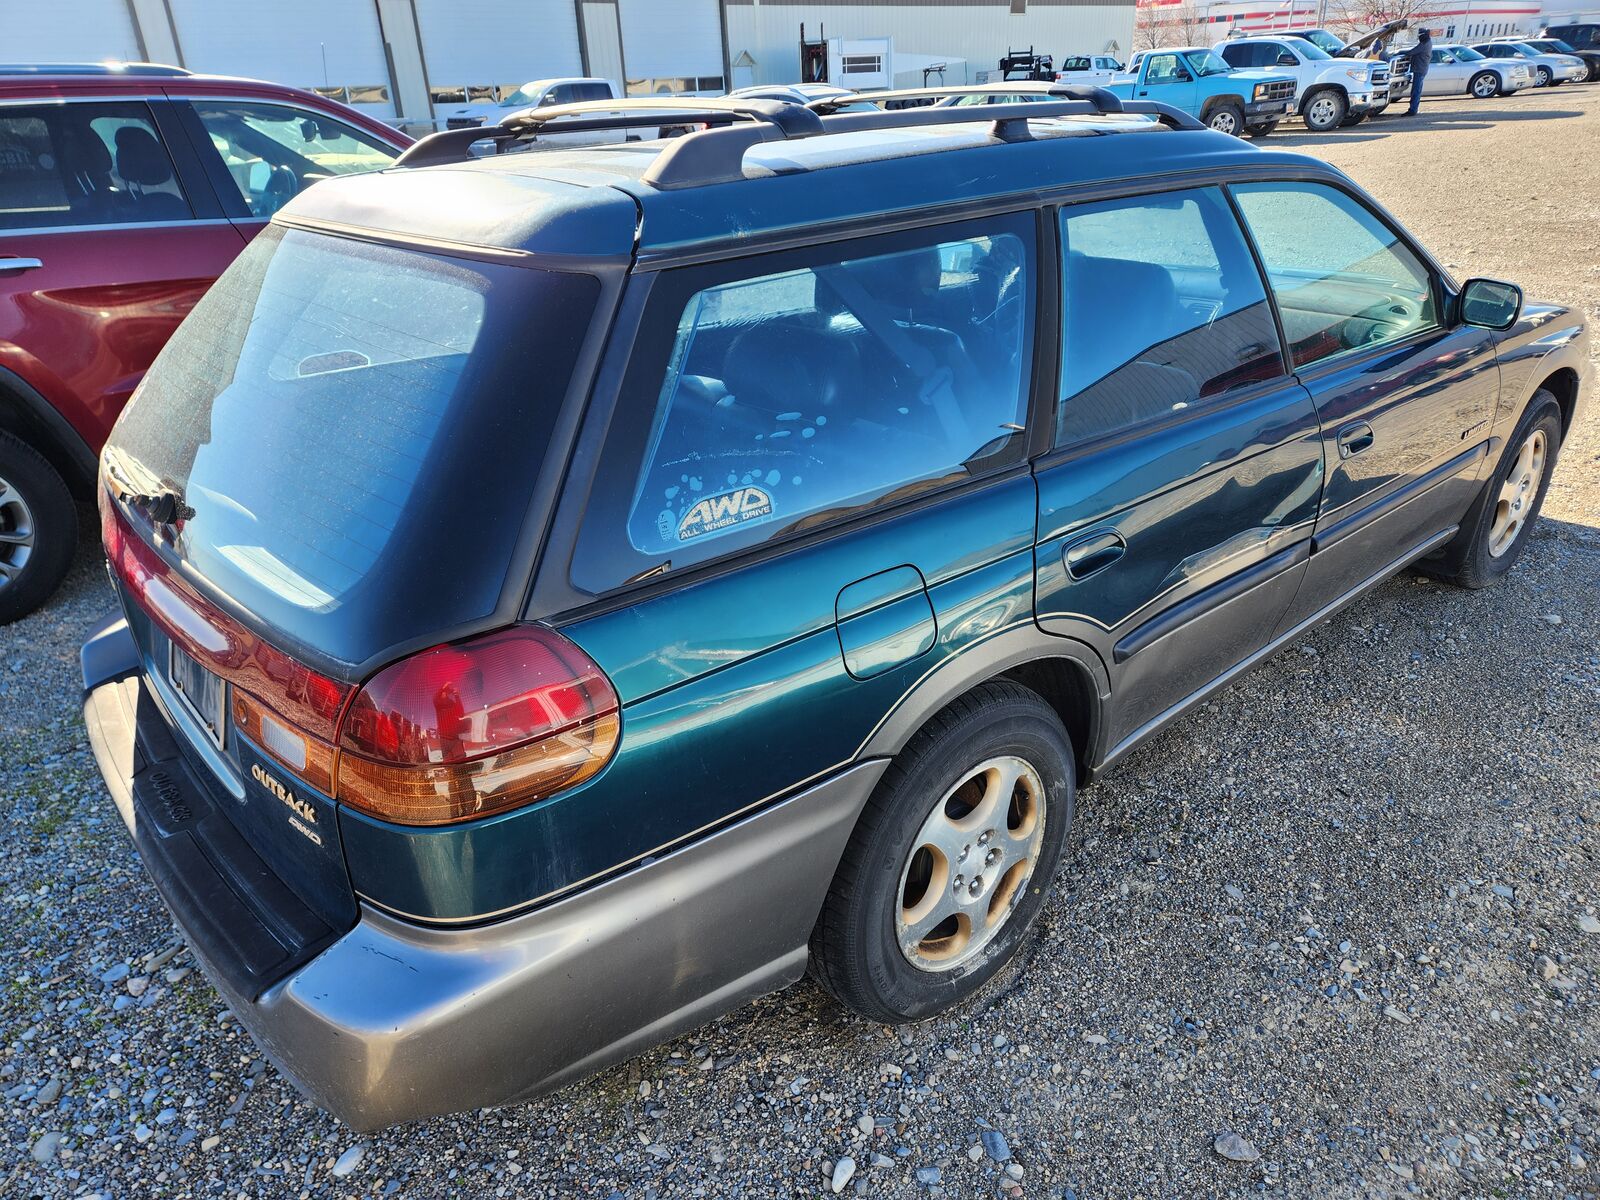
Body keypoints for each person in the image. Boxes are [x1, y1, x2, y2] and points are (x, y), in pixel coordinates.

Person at [1406, 29, 1433, 114]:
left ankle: (1413, 110)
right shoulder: (1428, 42)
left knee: (1416, 90)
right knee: (1417, 90)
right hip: (1422, 69)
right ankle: (1414, 109)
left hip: (1419, 69)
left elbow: (1412, 51)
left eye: (1419, 36)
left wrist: (1403, 53)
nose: (1419, 38)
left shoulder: (1424, 44)